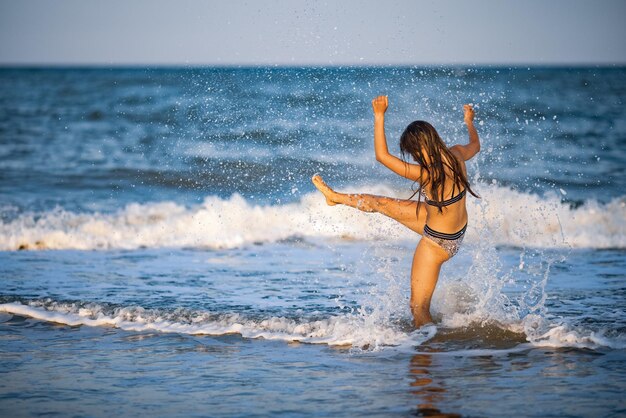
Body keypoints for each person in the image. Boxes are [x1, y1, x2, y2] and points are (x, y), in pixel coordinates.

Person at [312, 95, 481, 327]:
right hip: (452, 228)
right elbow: (476, 145)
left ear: (421, 147)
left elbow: (382, 157)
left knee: (417, 307)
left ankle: (428, 348)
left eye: (412, 152)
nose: (413, 158)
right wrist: (469, 122)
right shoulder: (457, 154)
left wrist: (379, 115)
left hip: (437, 243)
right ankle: (335, 197)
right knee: (381, 203)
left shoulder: (429, 174)